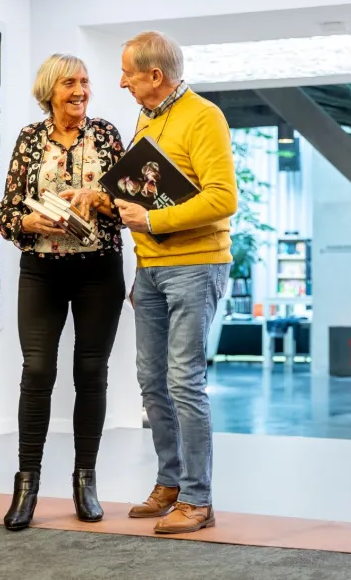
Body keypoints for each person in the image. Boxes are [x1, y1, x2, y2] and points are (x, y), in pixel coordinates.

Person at [0, 53, 127, 531]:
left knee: (91, 373)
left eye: (86, 82)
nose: (81, 90)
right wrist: (26, 222)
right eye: (70, 82)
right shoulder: (30, 139)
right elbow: (7, 212)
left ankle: (85, 481)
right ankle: (26, 485)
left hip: (99, 271)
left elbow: (131, 201)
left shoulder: (108, 135)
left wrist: (99, 199)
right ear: (50, 89)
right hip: (42, 271)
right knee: (37, 371)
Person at [114, 31, 237, 535]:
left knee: (185, 381)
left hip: (195, 265)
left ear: (154, 76)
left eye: (128, 73)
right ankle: (169, 482)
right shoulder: (146, 118)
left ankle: (198, 499)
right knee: (151, 381)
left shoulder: (204, 116)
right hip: (151, 271)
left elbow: (223, 197)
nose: (121, 82)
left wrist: (152, 223)